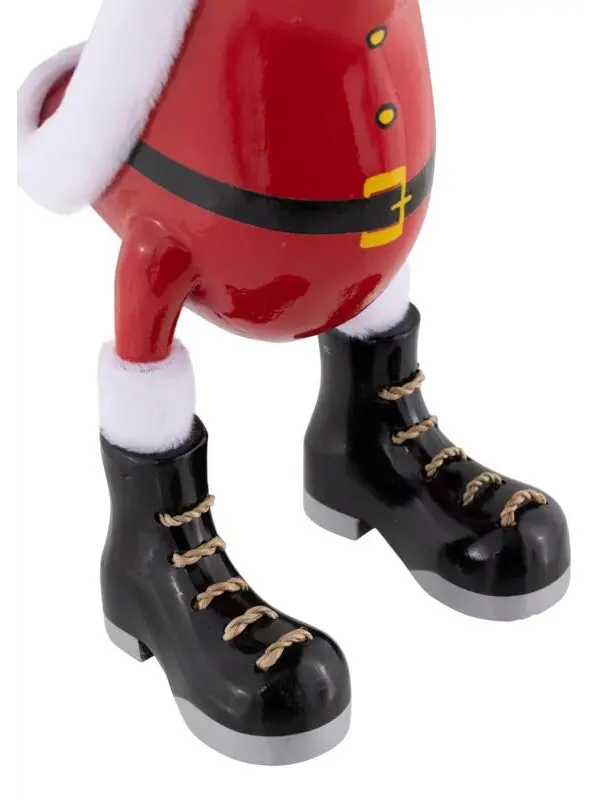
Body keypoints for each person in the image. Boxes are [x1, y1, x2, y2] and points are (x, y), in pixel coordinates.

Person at [16, 0, 570, 766]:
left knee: (375, 226)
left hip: (364, 223)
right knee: (151, 326)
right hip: (195, 204)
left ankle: (370, 445)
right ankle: (150, 558)